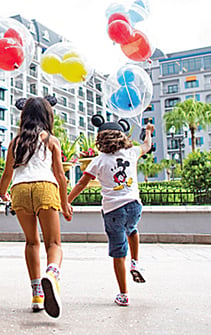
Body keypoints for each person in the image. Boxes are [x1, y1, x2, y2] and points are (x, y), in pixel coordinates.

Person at [0, 96, 73, 318]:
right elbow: (60, 175)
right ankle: (51, 273)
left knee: (32, 242)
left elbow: (7, 173)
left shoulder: (16, 141)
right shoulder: (50, 140)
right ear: (47, 116)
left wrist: (3, 193)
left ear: (25, 116)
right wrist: (65, 202)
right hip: (45, 188)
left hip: (20, 191)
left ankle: (37, 295)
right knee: (54, 243)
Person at [68, 115, 153, 307]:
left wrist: (67, 201)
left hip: (113, 210)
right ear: (122, 136)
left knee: (118, 251)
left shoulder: (99, 160)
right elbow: (146, 146)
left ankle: (123, 294)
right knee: (132, 230)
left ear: (100, 139)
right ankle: (136, 262)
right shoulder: (132, 152)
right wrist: (148, 132)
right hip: (134, 206)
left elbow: (82, 183)